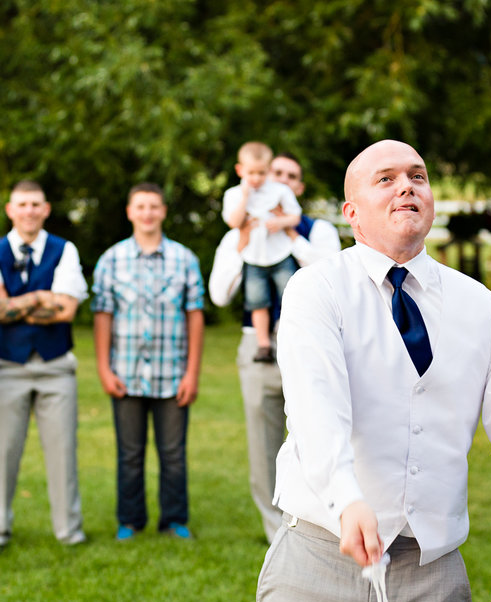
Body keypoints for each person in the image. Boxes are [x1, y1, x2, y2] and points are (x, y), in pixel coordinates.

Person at [251, 140, 491, 602]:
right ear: (351, 212)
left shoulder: (482, 309)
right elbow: (315, 406)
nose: (407, 186)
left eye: (418, 177)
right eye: (386, 178)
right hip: (315, 561)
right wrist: (346, 497)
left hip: (430, 579)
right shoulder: (317, 290)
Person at [208, 152, 341, 543]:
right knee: (263, 443)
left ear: (294, 188)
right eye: (273, 173)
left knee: (321, 435)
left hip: (312, 349)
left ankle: (324, 524)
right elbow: (219, 294)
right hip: (259, 350)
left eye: (288, 176)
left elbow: (332, 275)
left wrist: (290, 236)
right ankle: (275, 531)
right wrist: (243, 245)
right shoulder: (236, 233)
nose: (277, 181)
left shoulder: (318, 232)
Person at [0, 180, 88, 551]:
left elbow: (67, 309)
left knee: (62, 451)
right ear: (10, 210)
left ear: (46, 209)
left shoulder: (63, 250)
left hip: (56, 366)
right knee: (2, 452)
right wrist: (42, 298)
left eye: (36, 204)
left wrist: (16, 303)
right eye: (22, 205)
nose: (29, 211)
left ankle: (68, 530)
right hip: (7, 365)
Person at [92, 183, 205, 541]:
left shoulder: (184, 259)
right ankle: (130, 520)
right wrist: (103, 368)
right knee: (129, 453)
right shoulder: (111, 259)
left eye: (153, 206)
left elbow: (195, 315)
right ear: (129, 212)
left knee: (173, 453)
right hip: (125, 372)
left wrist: (192, 373)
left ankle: (174, 520)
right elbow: (102, 314)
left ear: (163, 212)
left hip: (172, 373)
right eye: (140, 207)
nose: (147, 213)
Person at [222, 142, 302, 363]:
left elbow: (295, 216)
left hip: (279, 253)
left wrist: (280, 221)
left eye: (261, 173)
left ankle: (292, 335)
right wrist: (246, 197)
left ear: (268, 170)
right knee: (257, 300)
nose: (256, 178)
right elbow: (233, 222)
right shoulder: (234, 194)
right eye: (251, 173)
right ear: (240, 171)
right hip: (254, 257)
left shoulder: (280, 191)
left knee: (290, 293)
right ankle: (263, 345)